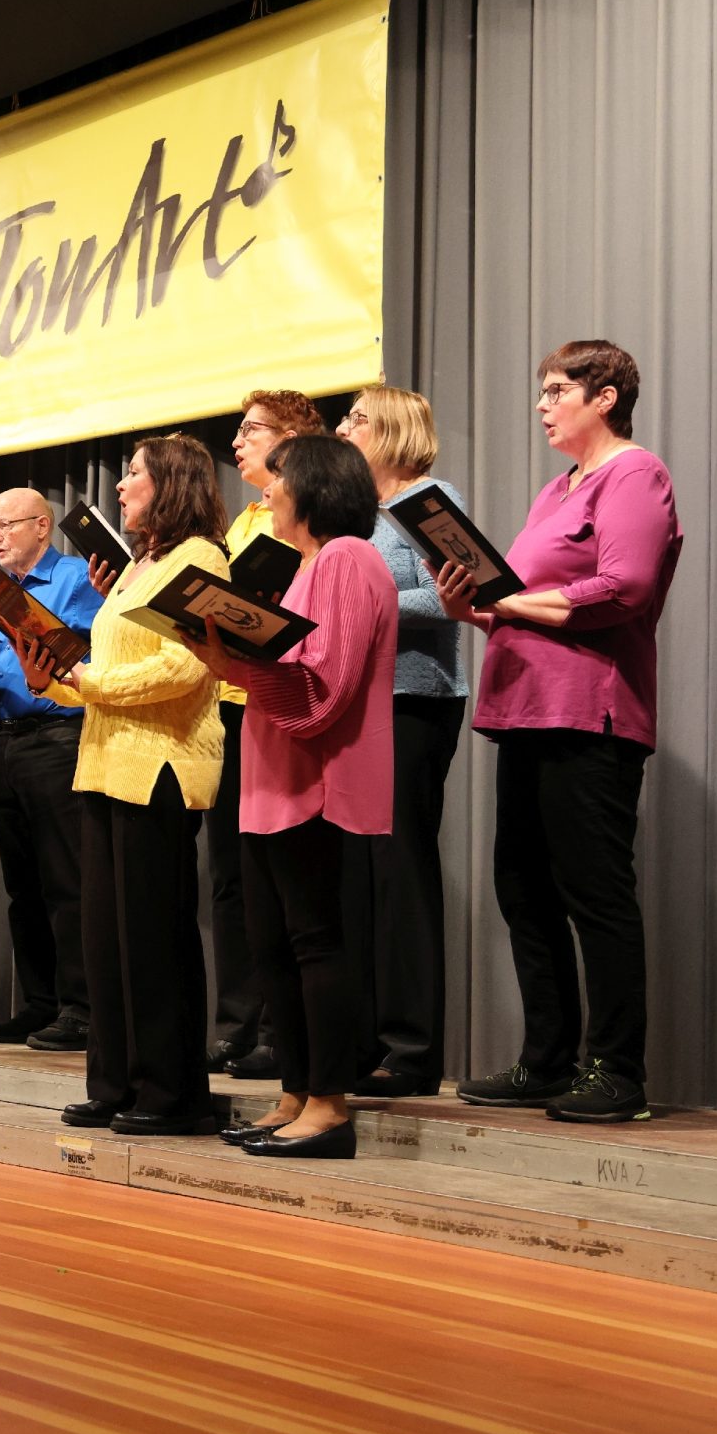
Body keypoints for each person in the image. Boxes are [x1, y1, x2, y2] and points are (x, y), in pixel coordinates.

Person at [441, 340, 682, 1124]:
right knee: (523, 887)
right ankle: (547, 1061)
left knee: (594, 892)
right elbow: (521, 606)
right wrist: (472, 609)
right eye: (541, 392)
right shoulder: (556, 490)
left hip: (590, 711)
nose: (542, 405)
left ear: (605, 397)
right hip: (525, 709)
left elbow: (624, 588)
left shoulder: (635, 474)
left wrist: (503, 602)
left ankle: (617, 1071)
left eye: (556, 390)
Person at [16, 437, 226, 1136]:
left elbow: (184, 668)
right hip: (104, 764)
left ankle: (172, 1093)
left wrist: (90, 681)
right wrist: (51, 678)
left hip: (161, 767)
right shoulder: (136, 567)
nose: (120, 486)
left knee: (153, 937)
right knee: (104, 940)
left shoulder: (202, 559)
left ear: (171, 484)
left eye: (133, 473)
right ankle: (114, 1082)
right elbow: (96, 679)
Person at [214, 433, 399, 1159]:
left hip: (317, 777)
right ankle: (294, 1091)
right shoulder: (306, 566)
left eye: (279, 477)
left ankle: (328, 1104)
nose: (267, 490)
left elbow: (326, 682)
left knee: (317, 942)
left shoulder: (348, 557)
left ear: (316, 486)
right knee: (272, 945)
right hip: (273, 775)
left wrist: (239, 661)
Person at [337, 386, 468, 1096]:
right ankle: (362, 1041)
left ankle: (411, 1050)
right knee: (360, 881)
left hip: (414, 701)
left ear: (392, 429)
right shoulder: (356, 516)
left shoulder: (429, 501)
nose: (342, 429)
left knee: (401, 875)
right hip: (356, 707)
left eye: (356, 418)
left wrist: (363, 602)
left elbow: (454, 593)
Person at [207, 388, 329, 1078]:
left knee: (282, 875)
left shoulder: (303, 518)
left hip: (278, 700)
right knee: (232, 878)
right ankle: (239, 1022)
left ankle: (286, 1033)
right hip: (227, 701)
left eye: (251, 430)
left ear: (291, 439)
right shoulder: (246, 518)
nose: (237, 442)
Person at [0, 488, 105, 1049]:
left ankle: (82, 1008)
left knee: (67, 880)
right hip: (8, 742)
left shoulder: (75, 579)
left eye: (8, 525)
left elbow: (96, 654)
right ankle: (41, 1004)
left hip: (61, 737)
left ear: (42, 526)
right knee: (23, 886)